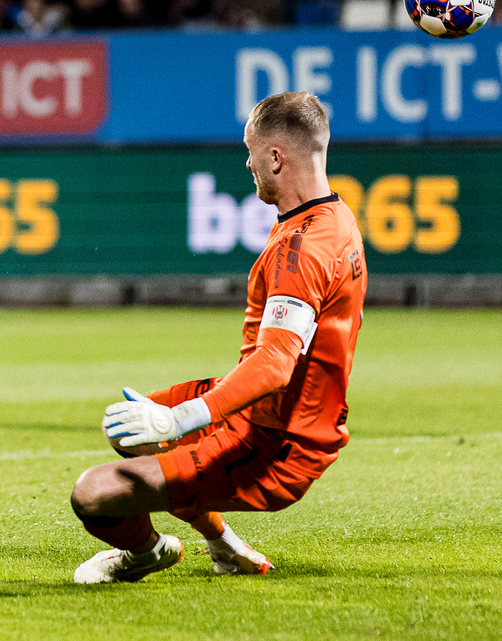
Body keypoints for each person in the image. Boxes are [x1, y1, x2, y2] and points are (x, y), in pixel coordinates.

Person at [69, 91, 366, 583]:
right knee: (126, 427)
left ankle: (145, 553)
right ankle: (226, 547)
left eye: (250, 148)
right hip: (275, 416)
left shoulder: (302, 247)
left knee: (93, 494)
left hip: (278, 441)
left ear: (275, 157)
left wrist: (178, 420)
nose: (246, 160)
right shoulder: (335, 219)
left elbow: (274, 365)